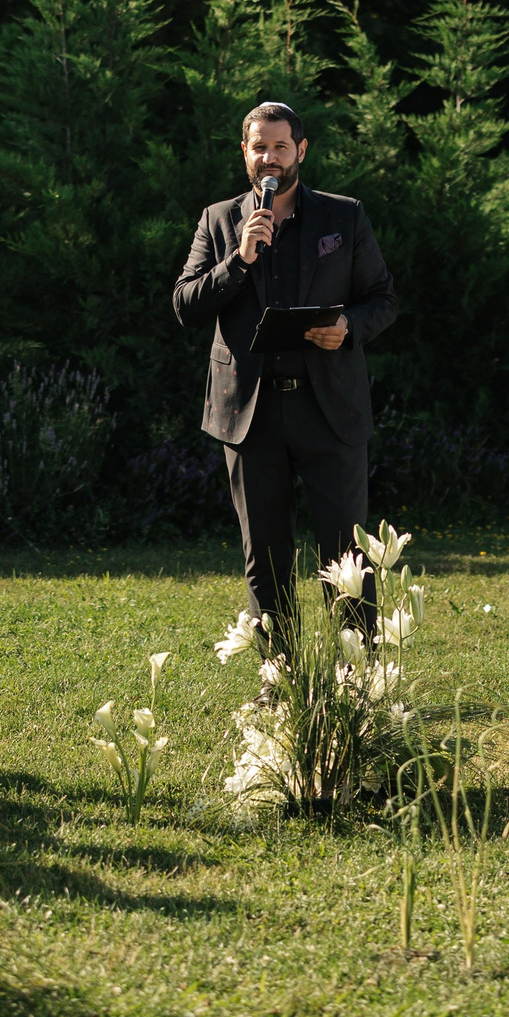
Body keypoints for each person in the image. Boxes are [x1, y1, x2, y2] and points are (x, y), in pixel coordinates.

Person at [173, 100, 398, 627]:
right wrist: (239, 260)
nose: (269, 157)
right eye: (259, 147)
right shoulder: (221, 220)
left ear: (300, 149)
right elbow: (185, 304)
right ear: (244, 153)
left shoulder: (343, 215)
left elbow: (383, 299)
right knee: (265, 558)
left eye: (279, 146)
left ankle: (356, 681)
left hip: (329, 408)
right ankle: (280, 681)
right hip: (250, 414)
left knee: (348, 557)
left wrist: (348, 328)